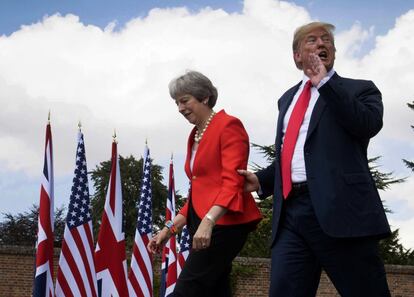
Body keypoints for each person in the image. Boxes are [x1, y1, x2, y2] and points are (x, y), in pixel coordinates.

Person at [238, 22, 391, 296]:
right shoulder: (287, 99)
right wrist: (261, 180)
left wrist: (325, 83)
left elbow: (367, 124)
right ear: (297, 55)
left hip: (342, 212)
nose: (321, 44)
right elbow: (296, 154)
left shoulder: (361, 90)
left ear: (333, 51)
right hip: (291, 216)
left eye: (326, 40)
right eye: (311, 40)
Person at [147, 70, 262, 297]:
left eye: (184, 100)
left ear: (204, 97)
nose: (180, 108)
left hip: (225, 224)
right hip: (201, 223)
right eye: (176, 103)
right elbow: (200, 193)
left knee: (187, 289)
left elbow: (232, 182)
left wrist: (209, 221)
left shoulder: (228, 126)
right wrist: (169, 230)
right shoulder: (195, 135)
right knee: (215, 290)